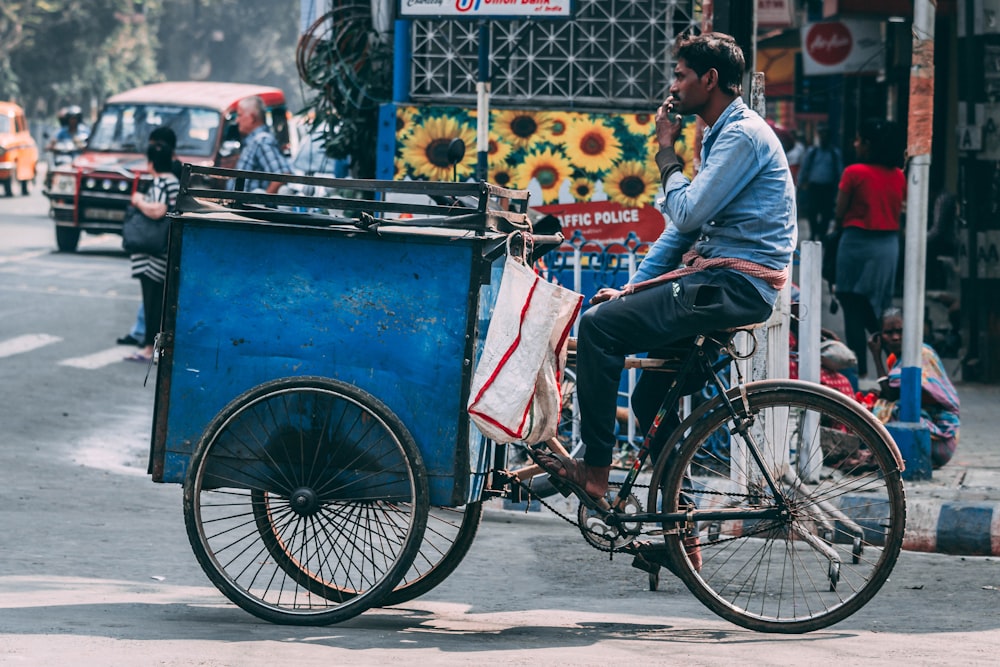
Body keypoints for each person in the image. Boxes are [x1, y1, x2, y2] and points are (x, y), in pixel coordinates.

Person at [533, 32, 797, 500]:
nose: (672, 87)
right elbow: (680, 233)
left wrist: (665, 149)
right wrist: (632, 290)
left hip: (732, 285)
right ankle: (684, 523)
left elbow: (688, 212)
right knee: (649, 397)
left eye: (680, 75)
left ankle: (594, 470)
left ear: (709, 79)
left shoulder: (741, 134)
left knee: (597, 329)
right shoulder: (720, 134)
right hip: (718, 282)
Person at [832, 118, 906, 378]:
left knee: (851, 303)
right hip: (887, 246)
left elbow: (840, 211)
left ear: (868, 145)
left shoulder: (854, 173)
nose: (855, 144)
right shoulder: (898, 175)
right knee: (878, 306)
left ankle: (858, 370)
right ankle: (894, 362)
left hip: (856, 242)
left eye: (859, 140)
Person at [867, 308, 960, 469]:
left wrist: (876, 357)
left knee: (886, 409)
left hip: (941, 440)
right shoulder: (895, 360)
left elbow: (890, 394)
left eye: (900, 331)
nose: (895, 337)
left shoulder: (919, 354)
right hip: (929, 432)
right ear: (880, 336)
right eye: (889, 333)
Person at [125, 131, 180, 363]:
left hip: (152, 255)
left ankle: (149, 348)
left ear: (150, 163)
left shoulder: (159, 182)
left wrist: (138, 200)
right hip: (166, 250)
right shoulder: (175, 182)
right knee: (160, 303)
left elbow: (158, 210)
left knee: (152, 303)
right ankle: (157, 349)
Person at [232, 96, 292, 193]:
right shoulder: (254, 141)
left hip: (249, 207)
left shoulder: (262, 141)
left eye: (239, 115)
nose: (237, 120)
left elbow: (282, 175)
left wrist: (261, 204)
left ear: (252, 118)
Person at [797, 125, 842, 242]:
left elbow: (839, 171)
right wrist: (800, 183)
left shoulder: (834, 154)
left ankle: (822, 234)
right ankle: (813, 233)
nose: (823, 139)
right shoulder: (812, 152)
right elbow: (804, 168)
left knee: (826, 213)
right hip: (814, 187)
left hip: (828, 188)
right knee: (812, 212)